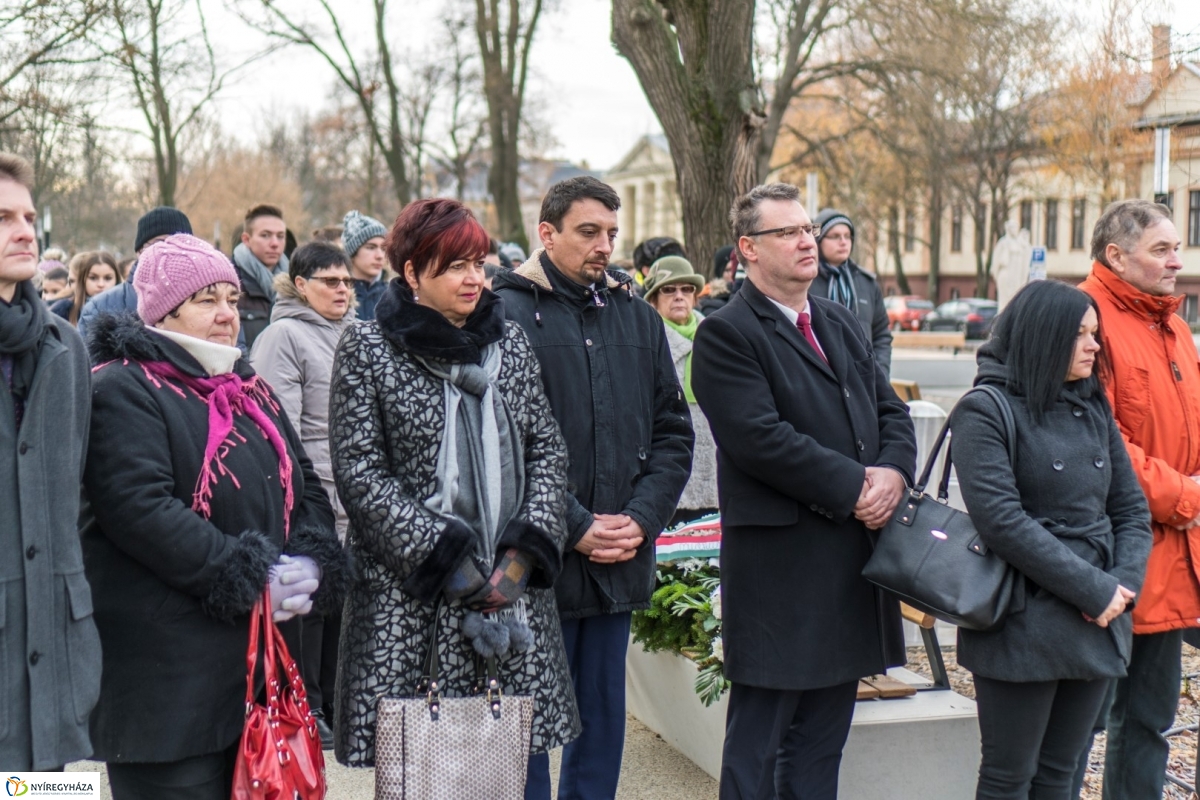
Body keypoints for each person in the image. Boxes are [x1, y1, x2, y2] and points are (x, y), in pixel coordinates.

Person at [81, 234, 348, 799]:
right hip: (168, 692)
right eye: (207, 300)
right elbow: (140, 510)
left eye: (231, 297)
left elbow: (305, 486)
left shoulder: (246, 386)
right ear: (162, 311)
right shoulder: (121, 387)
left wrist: (311, 558)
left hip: (255, 679)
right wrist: (250, 577)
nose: (228, 314)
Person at [329, 198, 579, 800]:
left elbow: (547, 450)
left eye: (479, 263)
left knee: (507, 768)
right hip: (414, 600)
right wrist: (452, 565)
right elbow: (361, 474)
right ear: (412, 273)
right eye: (454, 266)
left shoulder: (510, 345)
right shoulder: (367, 348)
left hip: (509, 595)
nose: (475, 279)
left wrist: (520, 559)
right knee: (423, 773)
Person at [690, 182, 916, 800]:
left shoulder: (840, 322)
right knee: (757, 750)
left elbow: (889, 411)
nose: (805, 241)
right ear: (748, 249)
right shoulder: (727, 333)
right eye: (787, 232)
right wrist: (854, 487)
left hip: (850, 563)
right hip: (781, 574)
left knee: (822, 746)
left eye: (808, 228)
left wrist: (892, 475)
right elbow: (761, 439)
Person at [492, 176, 694, 799]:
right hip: (535, 560)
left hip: (619, 556)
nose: (604, 245)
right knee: (523, 726)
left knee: (601, 722)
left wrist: (642, 517)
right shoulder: (501, 313)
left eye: (611, 232)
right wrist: (575, 525)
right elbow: (500, 444)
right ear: (546, 233)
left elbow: (671, 431)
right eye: (588, 232)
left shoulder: (636, 314)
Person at [949, 280, 1151, 799]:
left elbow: (1130, 510)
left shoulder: (1093, 408)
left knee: (1061, 774)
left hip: (1099, 619)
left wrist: (1122, 589)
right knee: (1009, 777)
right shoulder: (985, 409)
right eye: (1081, 334)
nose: (1095, 345)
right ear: (1043, 337)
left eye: (1095, 333)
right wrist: (1092, 590)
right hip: (1022, 618)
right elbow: (1001, 521)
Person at [1074, 199, 1200, 800]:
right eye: (1163, 250)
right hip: (1108, 557)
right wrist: (1186, 495)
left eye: (1177, 246)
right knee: (1074, 728)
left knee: (1148, 719)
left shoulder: (1172, 323)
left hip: (1172, 555)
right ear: (1116, 256)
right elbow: (1100, 441)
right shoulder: (1085, 318)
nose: (1178, 260)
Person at [0, 151, 101, 771]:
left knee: (50, 793)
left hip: (56, 661)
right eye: (2, 216)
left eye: (29, 215)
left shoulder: (66, 347)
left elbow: (78, 490)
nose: (23, 229)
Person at [250, 240, 357, 749]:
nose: (342, 290)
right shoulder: (282, 336)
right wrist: (303, 493)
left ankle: (336, 699)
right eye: (330, 281)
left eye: (347, 282)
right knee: (310, 604)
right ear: (300, 284)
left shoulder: (354, 331)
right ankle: (308, 704)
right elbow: (281, 428)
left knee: (342, 602)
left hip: (354, 488)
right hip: (311, 490)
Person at [642, 255, 718, 524]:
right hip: (666, 468)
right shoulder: (645, 341)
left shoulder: (714, 338)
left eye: (687, 289)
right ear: (653, 298)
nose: (679, 296)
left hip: (712, 469)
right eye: (669, 289)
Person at [77, 206, 194, 342]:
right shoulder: (99, 309)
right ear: (139, 251)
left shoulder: (210, 304)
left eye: (181, 244)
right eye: (160, 244)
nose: (170, 251)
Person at [811, 209, 893, 376]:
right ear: (818, 240)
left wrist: (880, 373)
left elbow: (881, 334)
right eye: (834, 236)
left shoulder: (866, 283)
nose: (843, 242)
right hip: (821, 377)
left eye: (847, 236)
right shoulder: (806, 281)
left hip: (863, 378)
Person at [232, 203, 289, 348]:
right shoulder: (229, 283)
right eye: (265, 235)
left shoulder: (295, 284)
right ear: (246, 239)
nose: (275, 243)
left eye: (280, 236)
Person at [51, 250, 120, 325]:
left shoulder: (128, 308)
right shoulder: (64, 311)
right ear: (83, 280)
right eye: (93, 278)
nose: (101, 284)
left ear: (116, 280)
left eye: (108, 278)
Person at [342, 209, 388, 321]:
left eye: (383, 249)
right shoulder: (339, 294)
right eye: (371, 247)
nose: (380, 256)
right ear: (352, 253)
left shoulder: (393, 295)